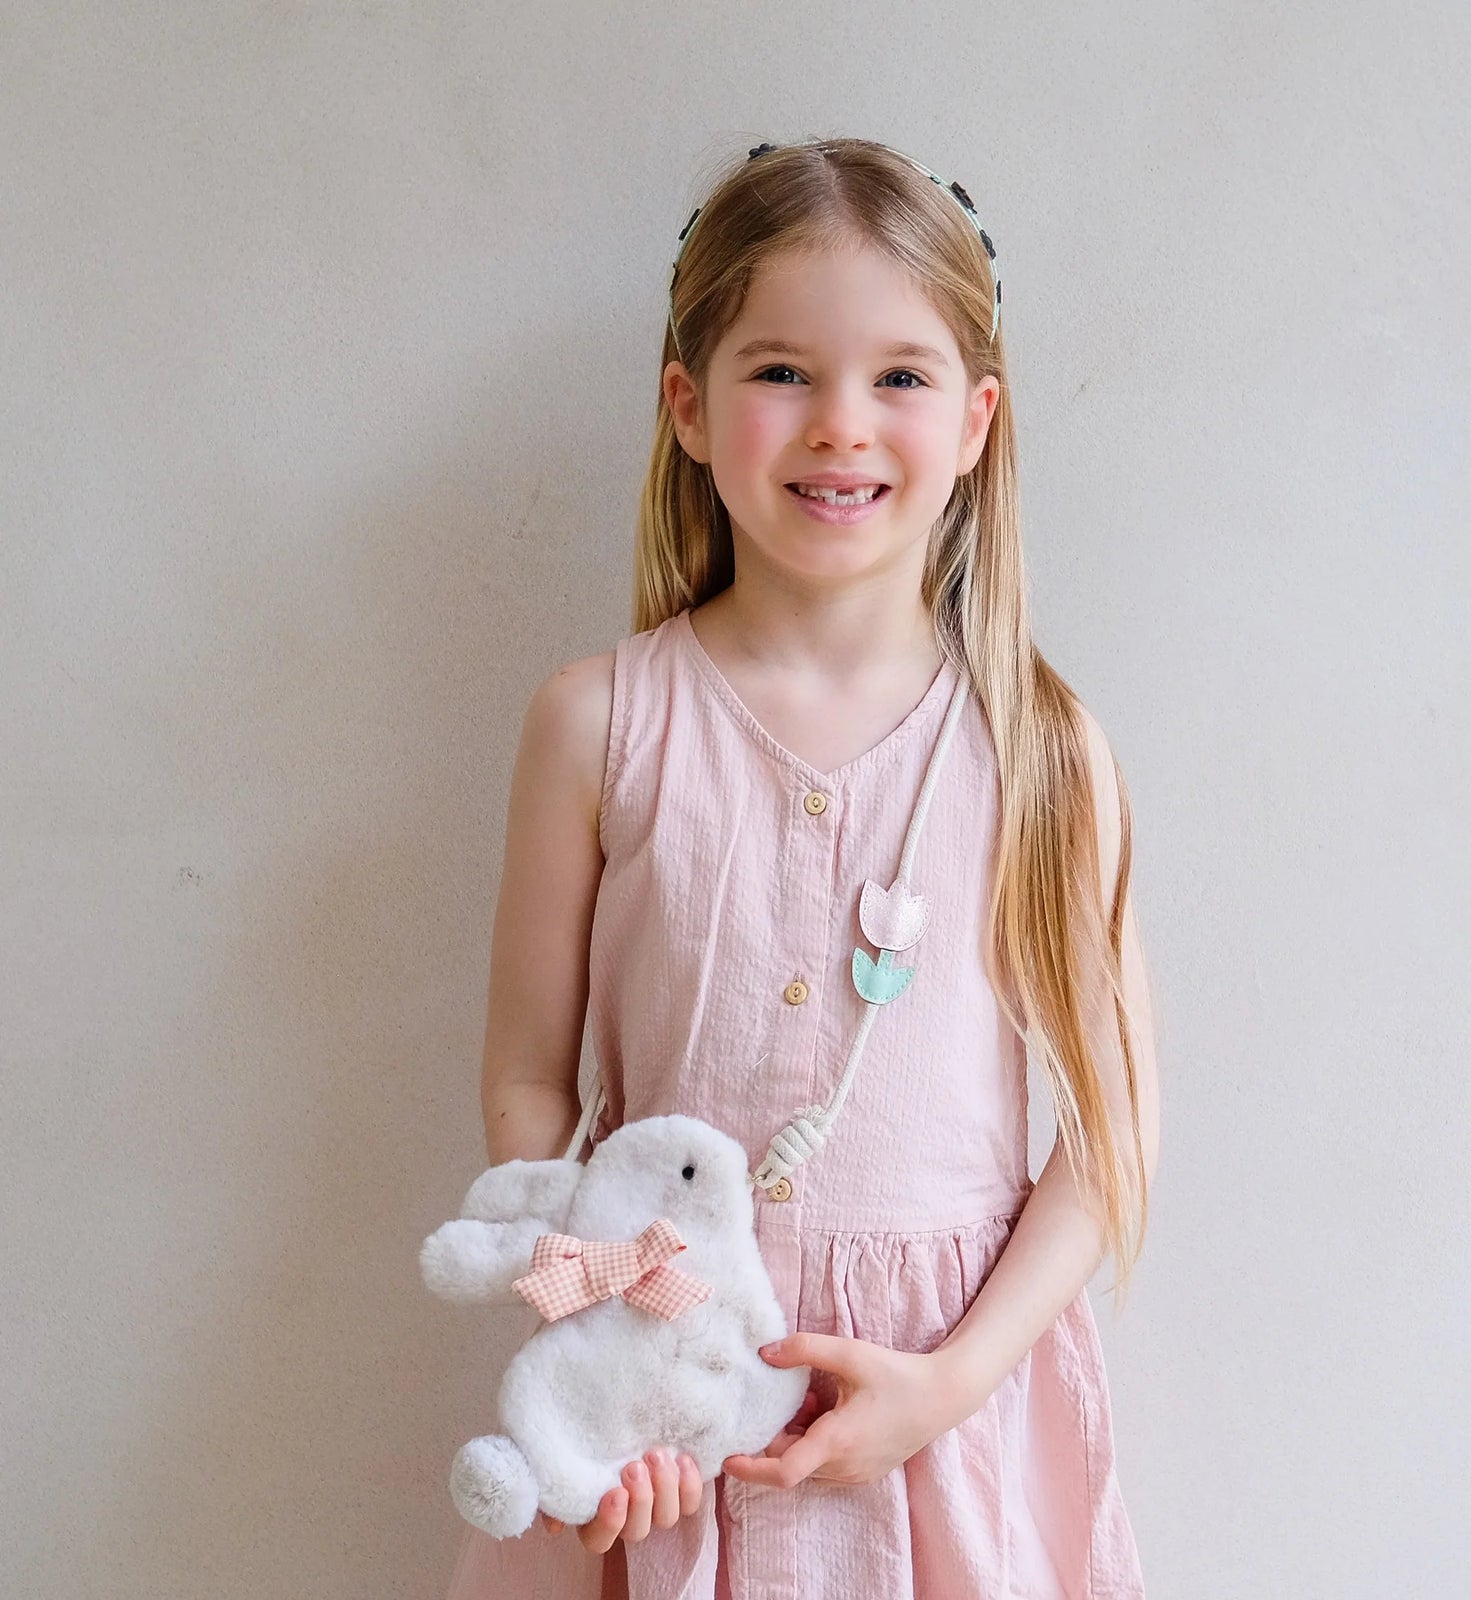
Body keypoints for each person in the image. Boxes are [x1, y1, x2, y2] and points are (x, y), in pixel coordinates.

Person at [443, 136, 1159, 1600]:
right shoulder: (597, 724)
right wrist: (598, 1342)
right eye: (783, 372)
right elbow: (528, 1076)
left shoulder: (1041, 751)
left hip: (942, 1430)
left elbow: (1111, 1134)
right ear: (690, 409)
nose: (842, 425)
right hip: (672, 1405)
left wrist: (949, 1384)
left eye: (899, 376)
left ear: (976, 421)